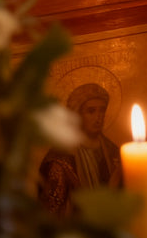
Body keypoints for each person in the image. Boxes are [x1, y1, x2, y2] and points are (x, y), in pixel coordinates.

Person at [38, 83, 122, 217]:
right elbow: (51, 212)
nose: (98, 117)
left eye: (102, 110)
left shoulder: (113, 152)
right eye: (91, 111)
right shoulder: (60, 160)